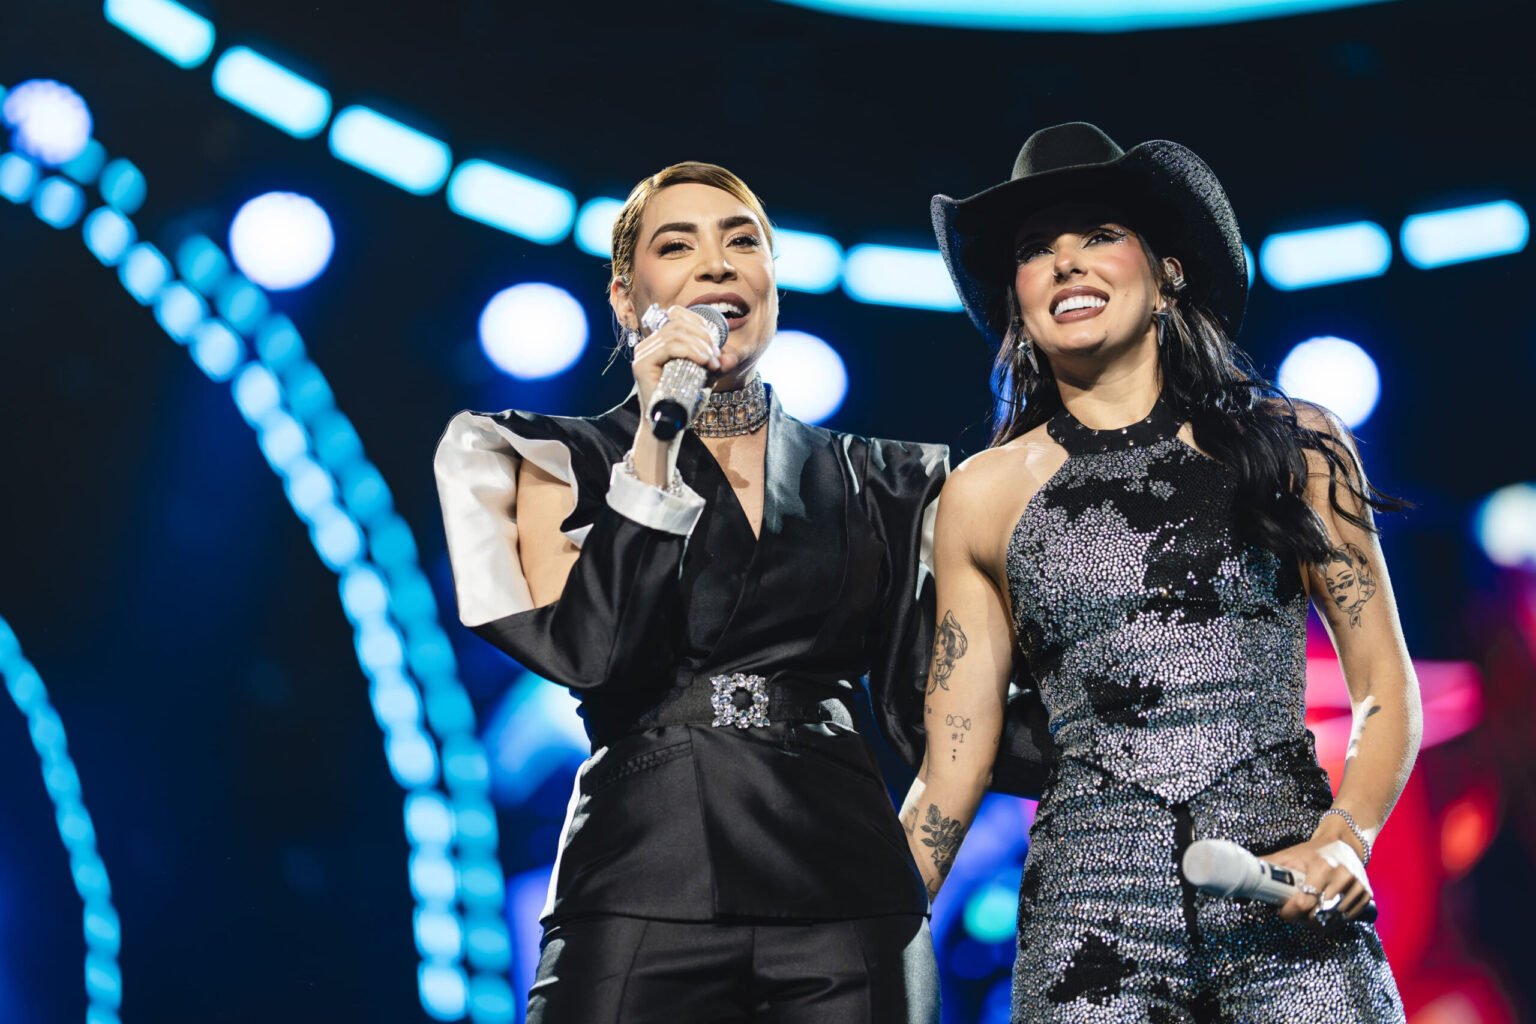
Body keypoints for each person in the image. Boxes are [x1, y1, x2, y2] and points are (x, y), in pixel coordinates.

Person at [900, 123, 1419, 1021]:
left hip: (1283, 887)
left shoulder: (1295, 446)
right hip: (1089, 918)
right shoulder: (980, 494)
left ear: (1168, 271)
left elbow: (1382, 682)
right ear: (1017, 298)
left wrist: (1346, 836)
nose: (1066, 262)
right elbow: (955, 761)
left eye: (1099, 235)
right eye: (1036, 250)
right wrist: (859, 924)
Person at [434, 161, 946, 1022]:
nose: (717, 263)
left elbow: (943, 710)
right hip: (638, 878)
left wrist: (910, 882)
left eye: (743, 241)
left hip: (849, 899)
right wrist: (653, 445)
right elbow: (592, 654)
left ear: (773, 282)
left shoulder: (883, 480)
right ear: (625, 299)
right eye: (677, 246)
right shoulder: (547, 459)